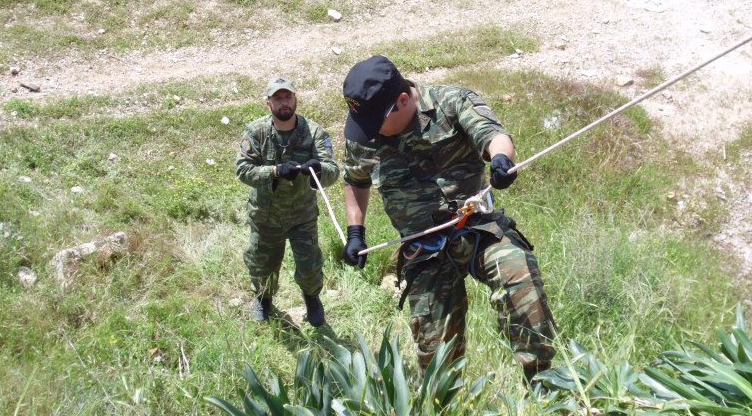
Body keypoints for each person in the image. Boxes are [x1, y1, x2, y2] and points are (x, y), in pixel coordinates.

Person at [339, 55, 557, 384]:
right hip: (424, 250)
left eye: (376, 121)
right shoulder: (366, 134)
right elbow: (356, 180)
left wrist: (500, 158)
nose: (370, 132)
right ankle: (447, 410)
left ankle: (543, 384)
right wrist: (356, 232)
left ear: (403, 100)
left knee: (519, 275)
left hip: (479, 230)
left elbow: (494, 135)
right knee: (435, 350)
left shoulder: (452, 103)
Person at [236, 77, 339, 327]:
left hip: (302, 215)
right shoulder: (256, 132)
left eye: (288, 97)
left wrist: (318, 169)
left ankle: (312, 299)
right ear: (268, 103)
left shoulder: (314, 132)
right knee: (263, 264)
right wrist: (275, 172)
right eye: (278, 98)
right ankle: (264, 299)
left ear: (295, 99)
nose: (284, 103)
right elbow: (243, 170)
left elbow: (332, 170)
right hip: (266, 215)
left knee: (310, 266)